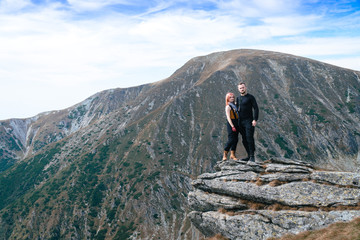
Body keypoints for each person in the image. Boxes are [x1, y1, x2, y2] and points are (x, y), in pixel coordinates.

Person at [236, 82, 259, 163]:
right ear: (238, 89)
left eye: (243, 87)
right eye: (240, 88)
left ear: (245, 87)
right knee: (244, 140)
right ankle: (248, 156)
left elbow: (256, 108)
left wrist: (255, 119)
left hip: (249, 121)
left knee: (249, 138)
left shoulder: (250, 97)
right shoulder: (238, 98)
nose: (242, 89)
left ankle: (252, 156)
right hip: (240, 122)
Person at [223, 92, 239, 161]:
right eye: (230, 97)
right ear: (227, 99)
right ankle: (225, 154)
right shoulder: (228, 107)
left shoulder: (234, 105)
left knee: (236, 139)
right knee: (231, 139)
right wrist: (232, 126)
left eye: (233, 97)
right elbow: (228, 117)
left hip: (236, 122)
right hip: (231, 123)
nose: (232, 98)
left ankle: (233, 154)